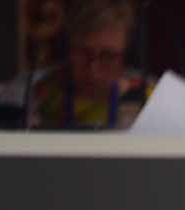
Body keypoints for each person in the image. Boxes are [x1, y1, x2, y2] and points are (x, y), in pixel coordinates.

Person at [25, 0, 151, 129]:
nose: (93, 70)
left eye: (107, 56)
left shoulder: (149, 102)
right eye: (83, 53)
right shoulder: (39, 96)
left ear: (127, 55)